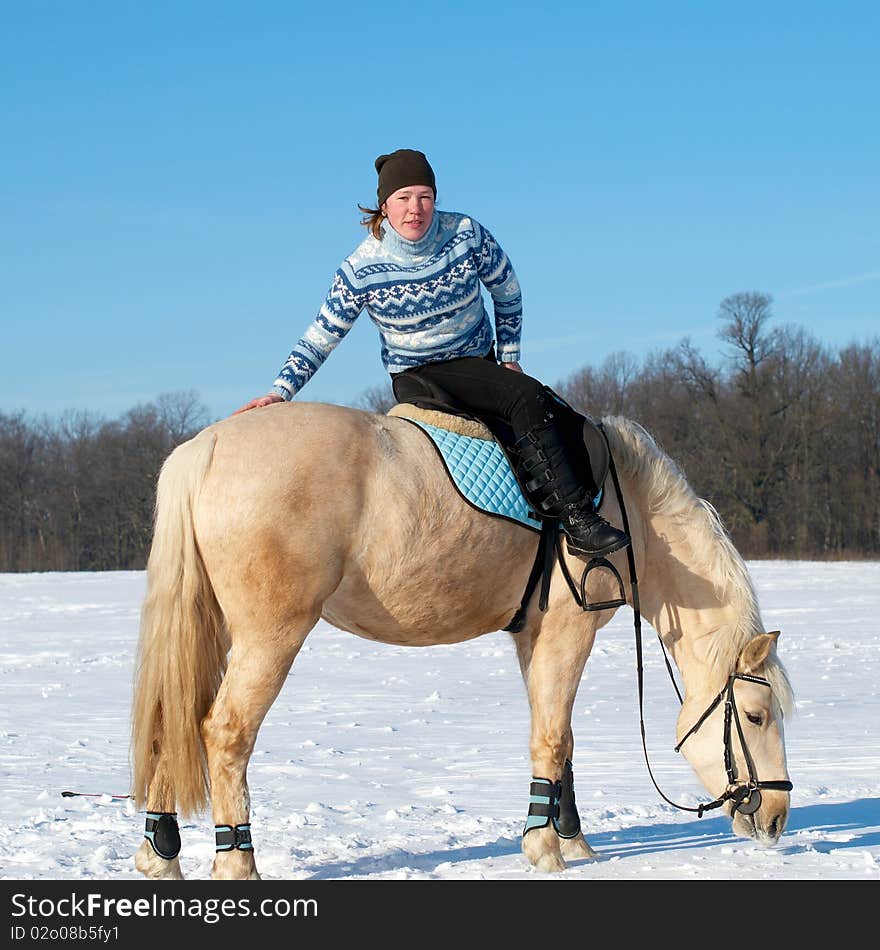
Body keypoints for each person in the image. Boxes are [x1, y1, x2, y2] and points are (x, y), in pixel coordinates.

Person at [234, 149, 629, 559]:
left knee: (558, 414)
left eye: (424, 196)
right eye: (403, 198)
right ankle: (579, 522)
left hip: (478, 359)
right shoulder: (360, 267)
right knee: (523, 397)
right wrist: (280, 393)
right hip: (418, 371)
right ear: (384, 205)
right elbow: (321, 336)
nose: (414, 209)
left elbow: (507, 289)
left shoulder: (465, 234)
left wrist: (509, 355)